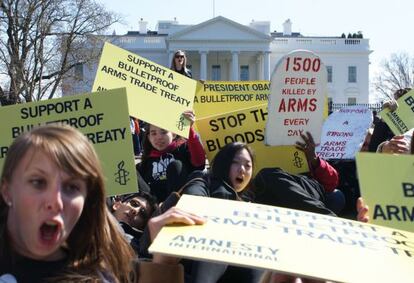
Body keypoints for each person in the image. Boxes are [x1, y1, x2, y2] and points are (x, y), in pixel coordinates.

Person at [0, 124, 205, 283]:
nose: (56, 201)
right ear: (7, 190)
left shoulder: (110, 268)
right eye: (38, 182)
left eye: (72, 187)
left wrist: (163, 264)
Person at [182, 142, 262, 283]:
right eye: (235, 162)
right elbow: (194, 201)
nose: (242, 169)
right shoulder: (202, 179)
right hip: (202, 254)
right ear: (223, 163)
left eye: (248, 166)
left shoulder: (251, 200)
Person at [137, 110, 206, 203]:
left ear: (173, 134)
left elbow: (199, 163)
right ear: (148, 138)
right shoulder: (147, 161)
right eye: (153, 133)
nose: (159, 137)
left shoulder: (182, 149)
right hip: (155, 205)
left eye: (164, 132)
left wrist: (189, 129)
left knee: (176, 165)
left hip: (179, 202)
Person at [368, 88, 412, 152]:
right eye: (395, 101)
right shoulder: (385, 126)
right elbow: (372, 150)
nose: (395, 105)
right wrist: (385, 117)